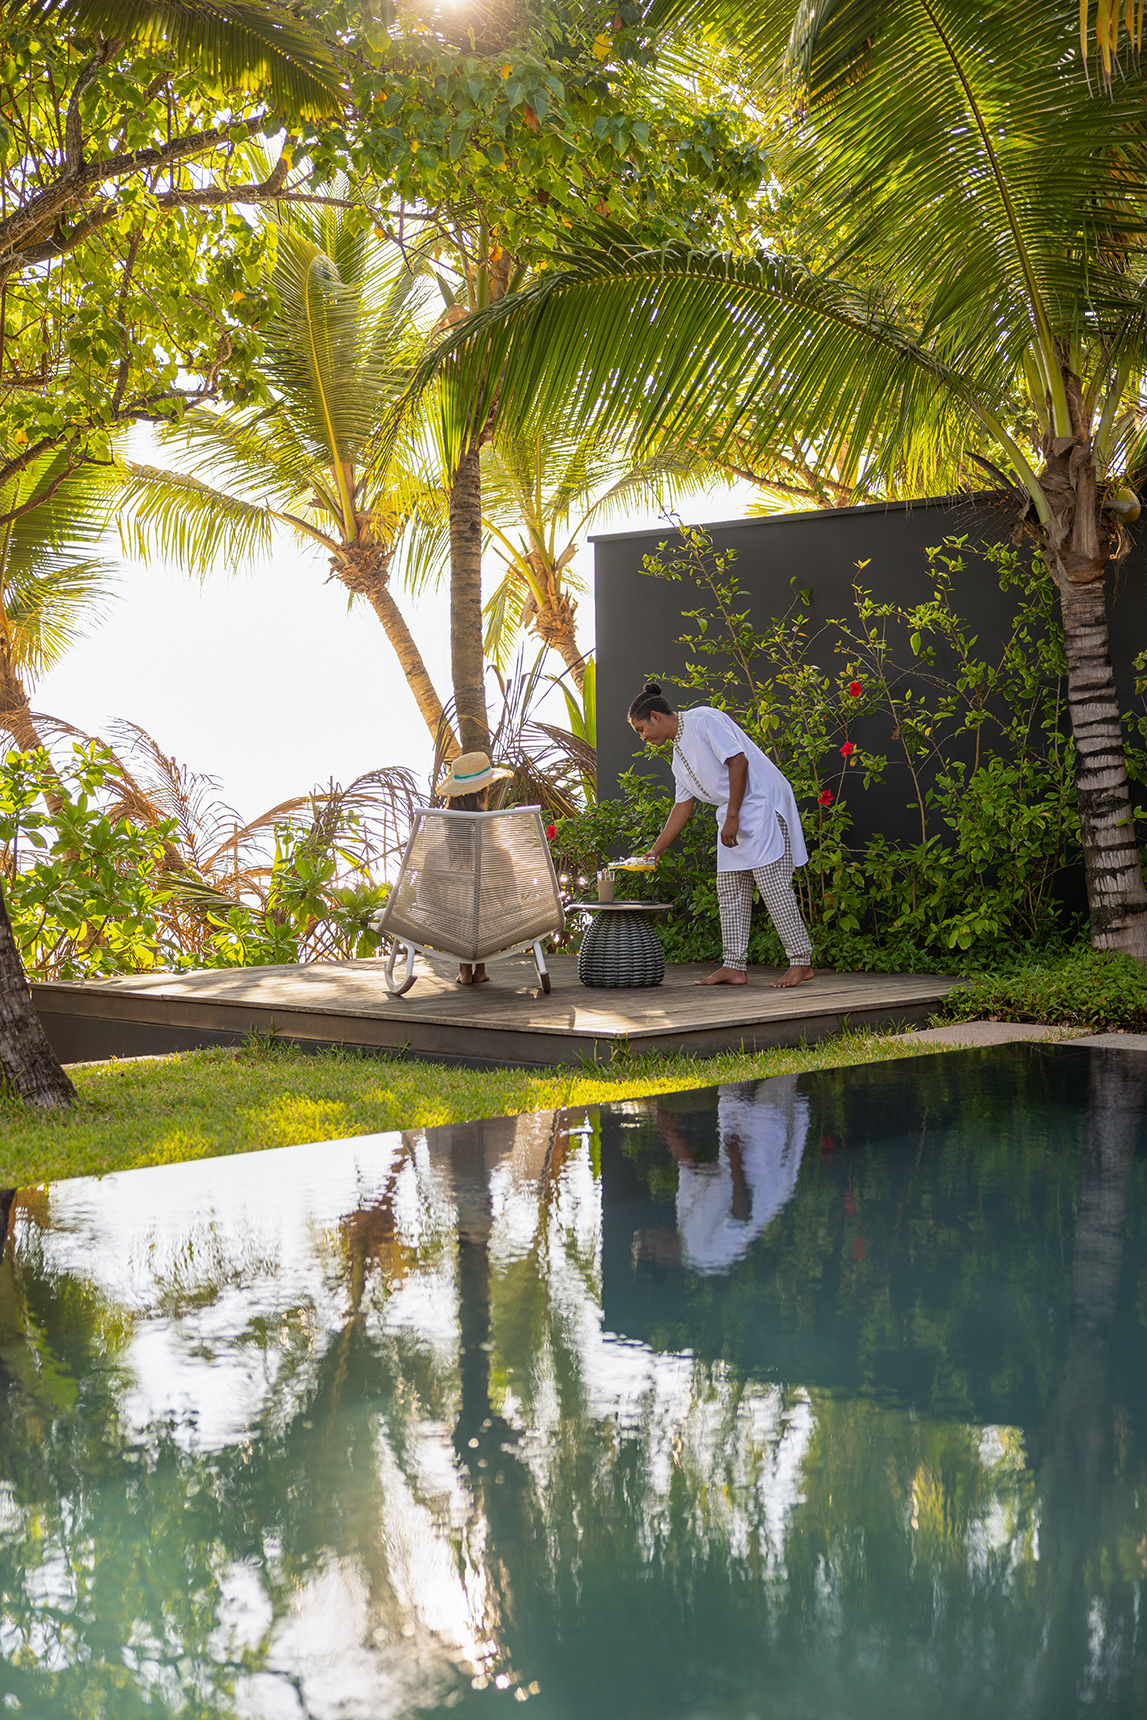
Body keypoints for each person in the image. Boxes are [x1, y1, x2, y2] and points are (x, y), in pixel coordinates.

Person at [628, 682, 814, 988]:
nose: (643, 737)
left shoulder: (703, 720)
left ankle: (801, 962)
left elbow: (738, 762)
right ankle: (734, 966)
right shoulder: (678, 758)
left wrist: (732, 817)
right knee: (730, 890)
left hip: (762, 804)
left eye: (640, 729)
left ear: (654, 717)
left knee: (773, 887)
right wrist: (655, 851)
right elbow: (682, 807)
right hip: (734, 813)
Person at [430, 750, 513, 984]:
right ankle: (481, 970)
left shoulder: (437, 851)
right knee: (483, 894)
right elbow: (508, 894)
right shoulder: (491, 834)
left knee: (460, 897)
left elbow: (429, 895)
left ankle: (464, 970)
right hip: (492, 920)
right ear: (484, 791)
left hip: (447, 921)